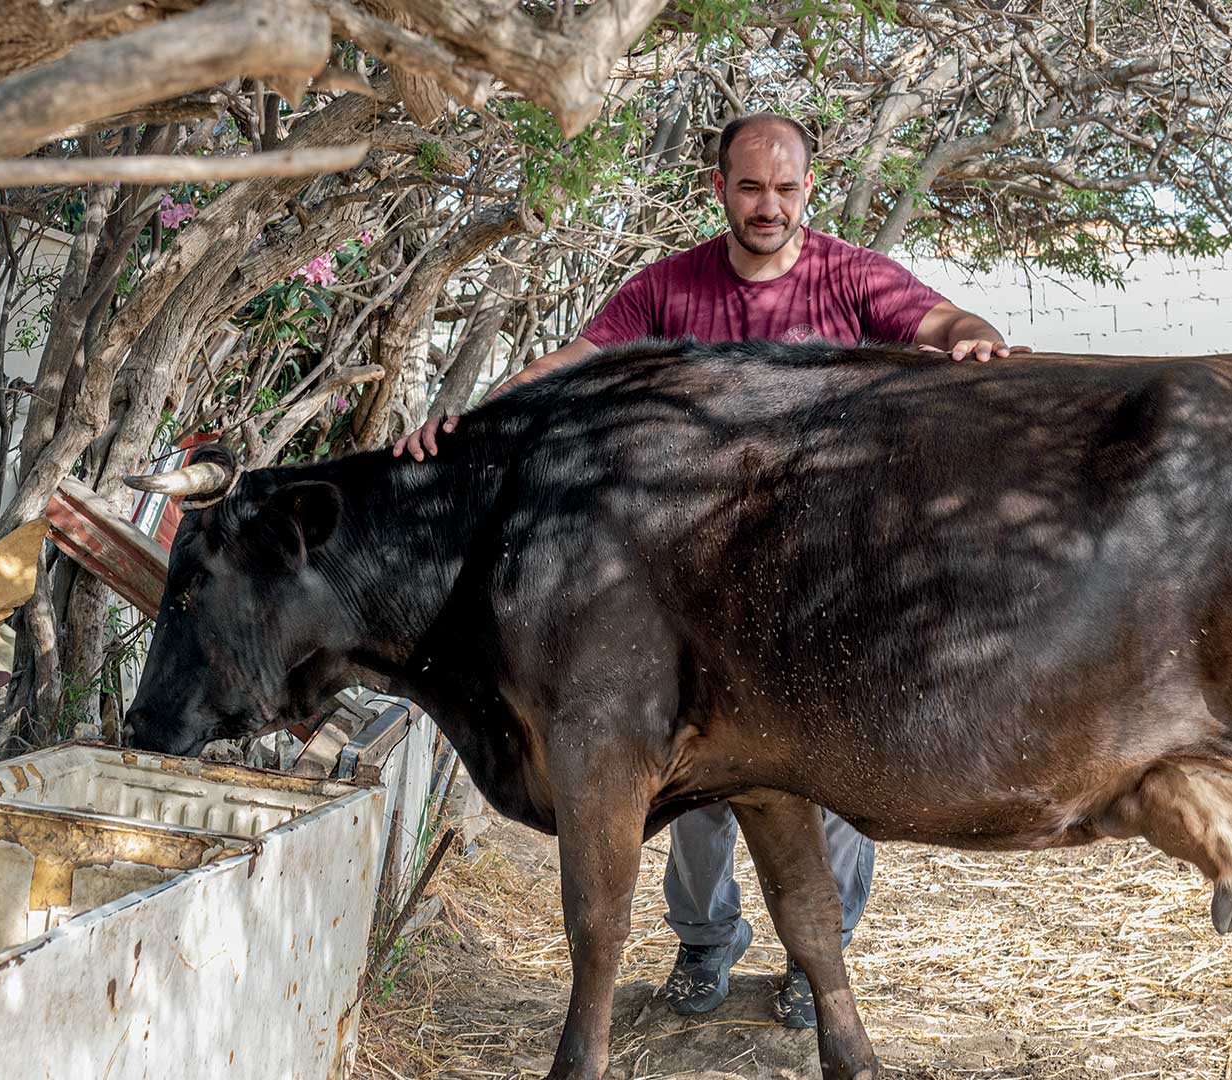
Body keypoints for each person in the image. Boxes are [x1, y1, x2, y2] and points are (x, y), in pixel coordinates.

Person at [392, 112, 1023, 1029]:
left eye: (787, 189)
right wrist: (472, 421)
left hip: (825, 588)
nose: (770, 207)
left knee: (834, 779)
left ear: (809, 189)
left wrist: (975, 334)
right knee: (698, 790)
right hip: (701, 599)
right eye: (752, 187)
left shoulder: (851, 276)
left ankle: (820, 961)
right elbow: (577, 362)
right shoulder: (668, 288)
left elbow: (938, 318)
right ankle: (702, 946)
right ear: (718, 188)